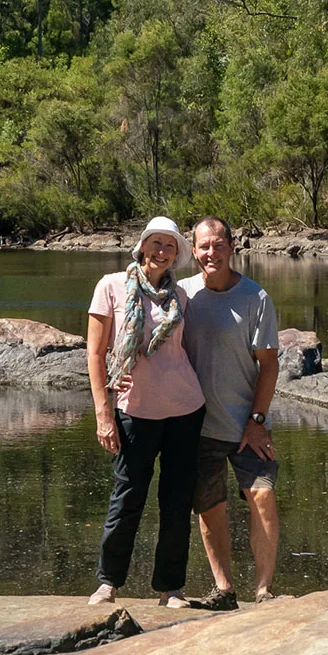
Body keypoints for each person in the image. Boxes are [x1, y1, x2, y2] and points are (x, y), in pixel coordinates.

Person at [85, 216, 206, 607]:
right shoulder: (111, 286)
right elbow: (96, 353)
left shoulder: (181, 297)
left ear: (176, 255)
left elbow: (187, 352)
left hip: (185, 409)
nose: (162, 251)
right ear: (141, 247)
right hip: (133, 409)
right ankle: (108, 582)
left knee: (176, 501)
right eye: (156, 243)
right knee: (127, 496)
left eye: (170, 246)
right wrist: (103, 412)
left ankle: (171, 588)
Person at [179, 216, 280, 608]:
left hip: (247, 424)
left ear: (232, 247)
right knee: (209, 507)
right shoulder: (183, 294)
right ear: (193, 251)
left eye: (218, 244)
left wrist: (257, 421)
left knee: (262, 497)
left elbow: (268, 364)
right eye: (203, 246)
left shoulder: (255, 298)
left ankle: (264, 590)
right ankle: (224, 590)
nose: (211, 253)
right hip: (198, 426)